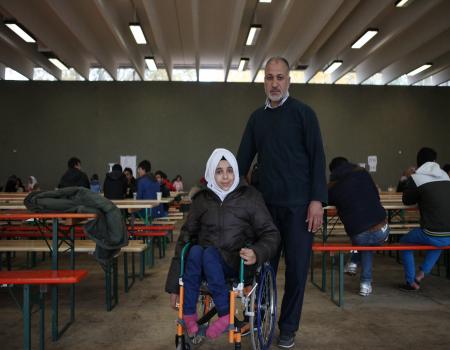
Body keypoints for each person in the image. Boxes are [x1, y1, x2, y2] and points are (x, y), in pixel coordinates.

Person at [236, 56, 327, 348]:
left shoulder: (304, 114)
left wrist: (317, 201)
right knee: (264, 269)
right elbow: (241, 162)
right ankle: (260, 317)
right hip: (267, 209)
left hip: (301, 207)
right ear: (264, 81)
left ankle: (287, 327)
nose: (274, 83)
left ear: (289, 81)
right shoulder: (256, 119)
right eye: (269, 78)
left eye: (280, 78)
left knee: (298, 271)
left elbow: (317, 160)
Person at [165, 148, 280, 339]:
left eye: (229, 170)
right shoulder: (201, 200)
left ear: (235, 170)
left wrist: (257, 253)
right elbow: (184, 239)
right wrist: (175, 287)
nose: (225, 176)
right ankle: (189, 314)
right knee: (193, 252)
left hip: (235, 264)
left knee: (208, 253)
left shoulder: (250, 197)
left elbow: (271, 234)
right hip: (202, 264)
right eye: (219, 171)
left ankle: (225, 314)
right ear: (211, 172)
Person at [328, 157, 390, 296]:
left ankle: (355, 264)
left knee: (364, 239)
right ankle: (364, 281)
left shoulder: (332, 186)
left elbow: (325, 202)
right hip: (382, 230)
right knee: (368, 243)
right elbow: (376, 196)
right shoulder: (363, 173)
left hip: (357, 235)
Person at [399, 147, 450, 291]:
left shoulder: (416, 178)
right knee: (441, 239)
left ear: (418, 162)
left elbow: (406, 201)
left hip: (432, 232)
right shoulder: (446, 176)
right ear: (435, 161)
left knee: (404, 243)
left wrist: (406, 178)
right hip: (449, 234)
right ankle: (421, 274)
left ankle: (411, 281)